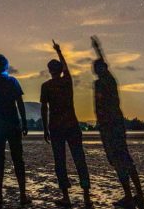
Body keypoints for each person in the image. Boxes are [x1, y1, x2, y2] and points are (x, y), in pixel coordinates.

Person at [91, 36, 144, 209]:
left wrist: (98, 49)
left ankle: (134, 195)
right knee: (120, 161)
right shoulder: (101, 82)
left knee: (121, 160)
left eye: (98, 67)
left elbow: (104, 62)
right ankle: (133, 195)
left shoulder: (107, 80)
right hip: (108, 126)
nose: (96, 70)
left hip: (112, 126)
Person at [40, 40, 93, 208]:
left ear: (50, 71)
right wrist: (59, 51)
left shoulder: (46, 86)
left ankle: (66, 197)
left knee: (60, 162)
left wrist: (45, 129)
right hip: (72, 125)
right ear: (60, 70)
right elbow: (66, 68)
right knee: (79, 159)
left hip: (56, 127)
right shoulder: (67, 81)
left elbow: (44, 109)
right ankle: (86, 197)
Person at [0, 39, 31, 206]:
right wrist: (24, 123)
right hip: (12, 123)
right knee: (18, 159)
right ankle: (23, 195)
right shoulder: (12, 81)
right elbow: (20, 103)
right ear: (6, 66)